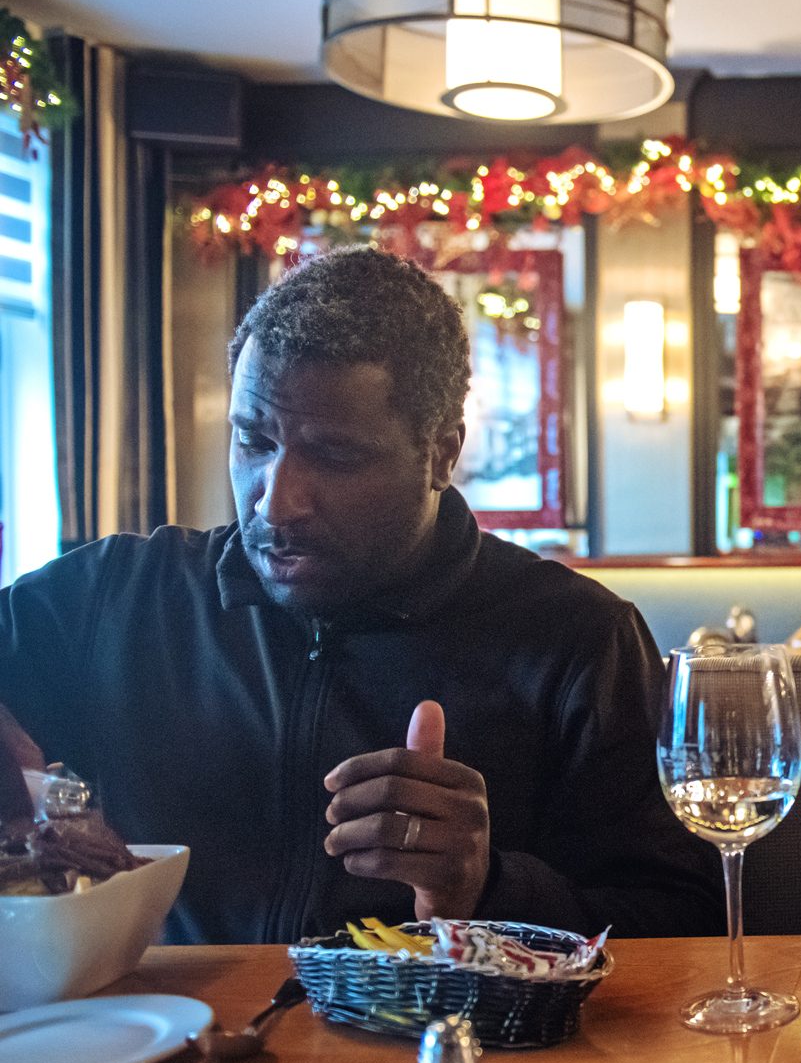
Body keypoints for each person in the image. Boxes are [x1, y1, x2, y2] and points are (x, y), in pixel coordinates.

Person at [0, 246, 720, 944]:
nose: (276, 502)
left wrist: (485, 890)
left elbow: (683, 924)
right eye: (254, 441)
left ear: (441, 453)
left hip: (449, 1055)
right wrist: (25, 798)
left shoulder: (575, 637)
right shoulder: (116, 598)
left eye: (335, 455)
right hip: (168, 1046)